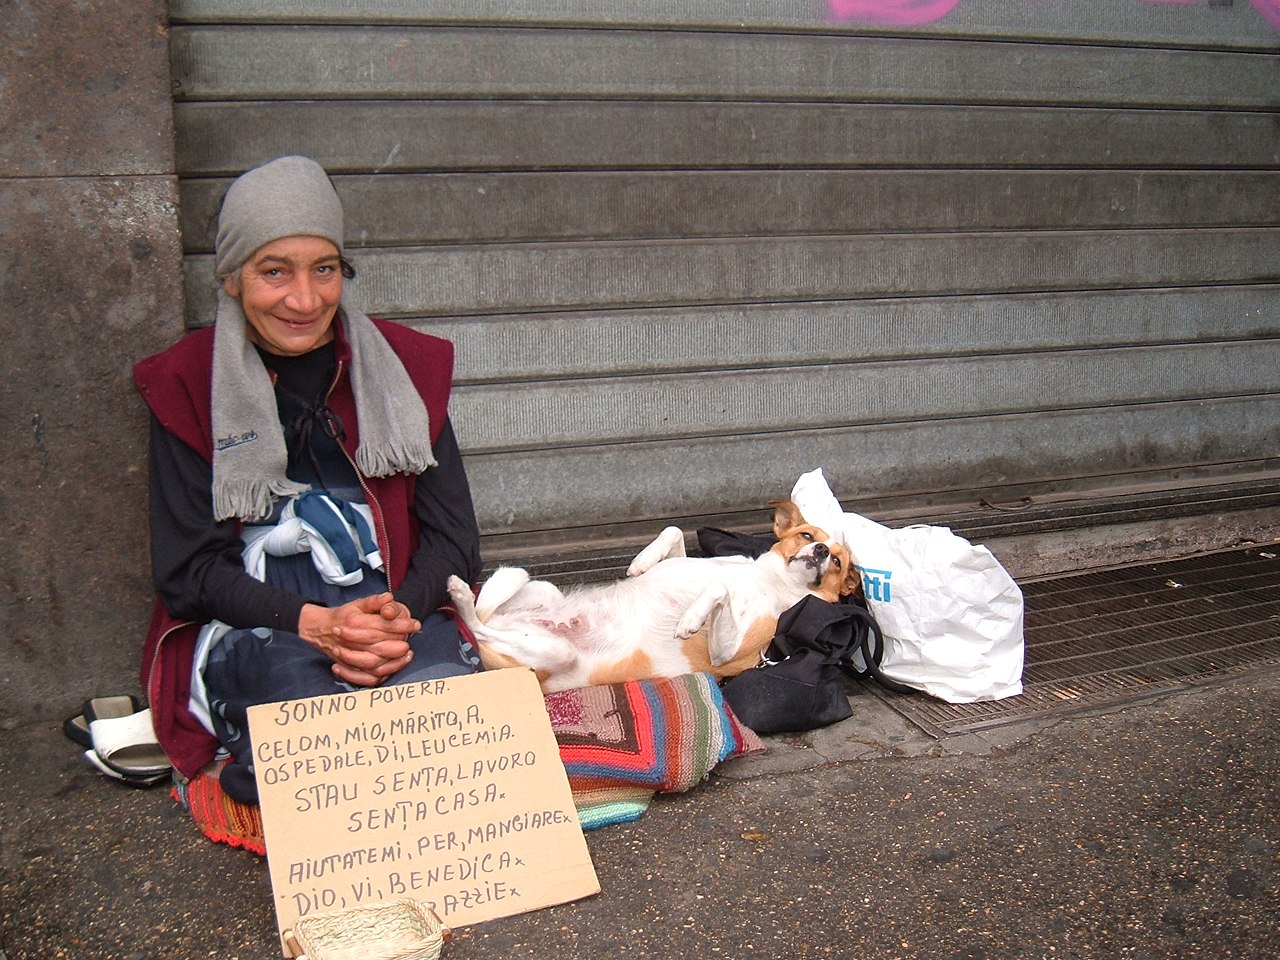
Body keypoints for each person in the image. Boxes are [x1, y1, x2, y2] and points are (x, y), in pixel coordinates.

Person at [134, 156, 483, 803]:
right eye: (275, 272)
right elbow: (189, 574)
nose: (305, 299)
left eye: (323, 269)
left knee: (453, 720)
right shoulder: (186, 383)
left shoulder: (404, 368)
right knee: (311, 726)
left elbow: (455, 539)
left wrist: (396, 616)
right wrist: (319, 625)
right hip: (260, 616)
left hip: (390, 605)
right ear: (233, 280)